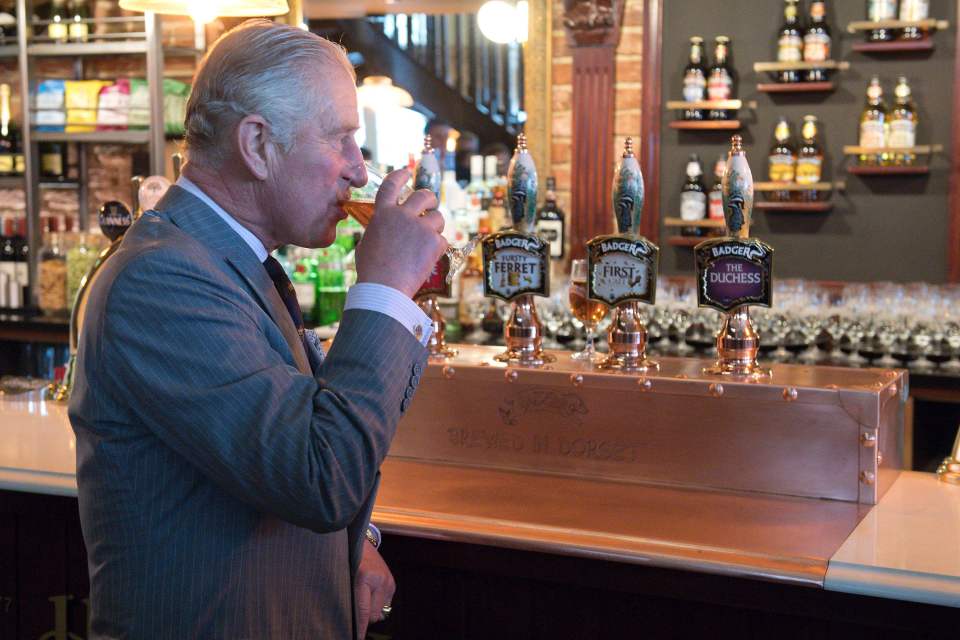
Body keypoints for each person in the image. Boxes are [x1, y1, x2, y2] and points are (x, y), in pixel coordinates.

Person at [68, 19, 446, 639]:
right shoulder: (160, 281)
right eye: (342, 140)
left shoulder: (229, 259)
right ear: (257, 145)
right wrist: (383, 290)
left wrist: (349, 546)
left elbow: (281, 441)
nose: (358, 170)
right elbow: (318, 476)